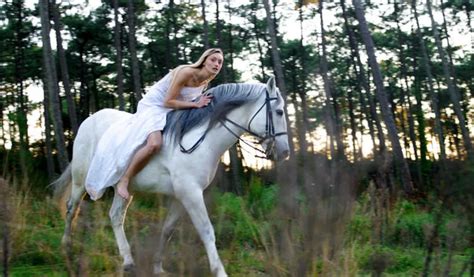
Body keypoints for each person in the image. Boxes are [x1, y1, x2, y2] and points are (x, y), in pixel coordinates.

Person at [85, 48, 224, 200]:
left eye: (220, 62)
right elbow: (168, 101)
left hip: (172, 110)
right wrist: (195, 105)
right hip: (154, 106)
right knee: (154, 144)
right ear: (204, 60)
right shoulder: (186, 72)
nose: (216, 64)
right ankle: (124, 180)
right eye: (213, 60)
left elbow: (187, 101)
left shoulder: (205, 83)